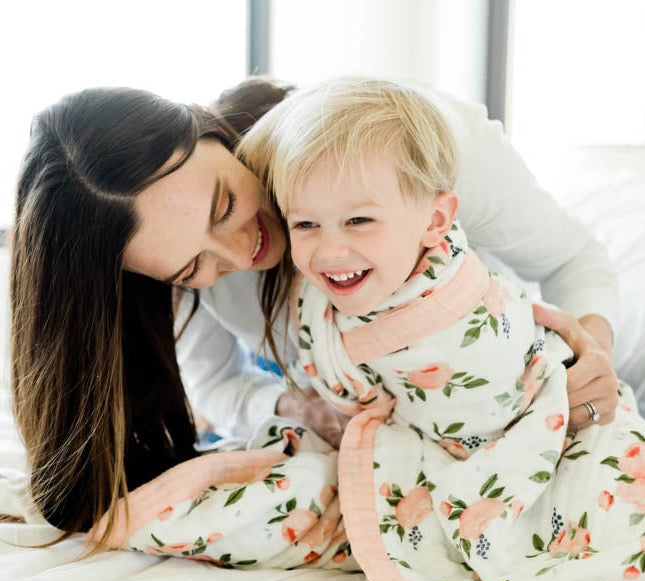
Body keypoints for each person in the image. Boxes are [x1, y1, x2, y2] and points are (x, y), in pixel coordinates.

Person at [10, 77, 618, 551]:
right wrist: (294, 407)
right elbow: (216, 383)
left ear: (210, 129)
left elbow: (574, 259)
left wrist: (591, 353)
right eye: (188, 268)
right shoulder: (173, 266)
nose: (237, 253)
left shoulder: (417, 136)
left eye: (224, 204)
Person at [232, 75, 645, 581]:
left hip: (546, 410)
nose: (330, 249)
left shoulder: (460, 286)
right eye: (306, 224)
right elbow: (253, 384)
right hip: (417, 442)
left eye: (358, 220)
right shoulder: (318, 299)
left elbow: (561, 289)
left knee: (604, 498)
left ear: (436, 220)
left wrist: (592, 356)